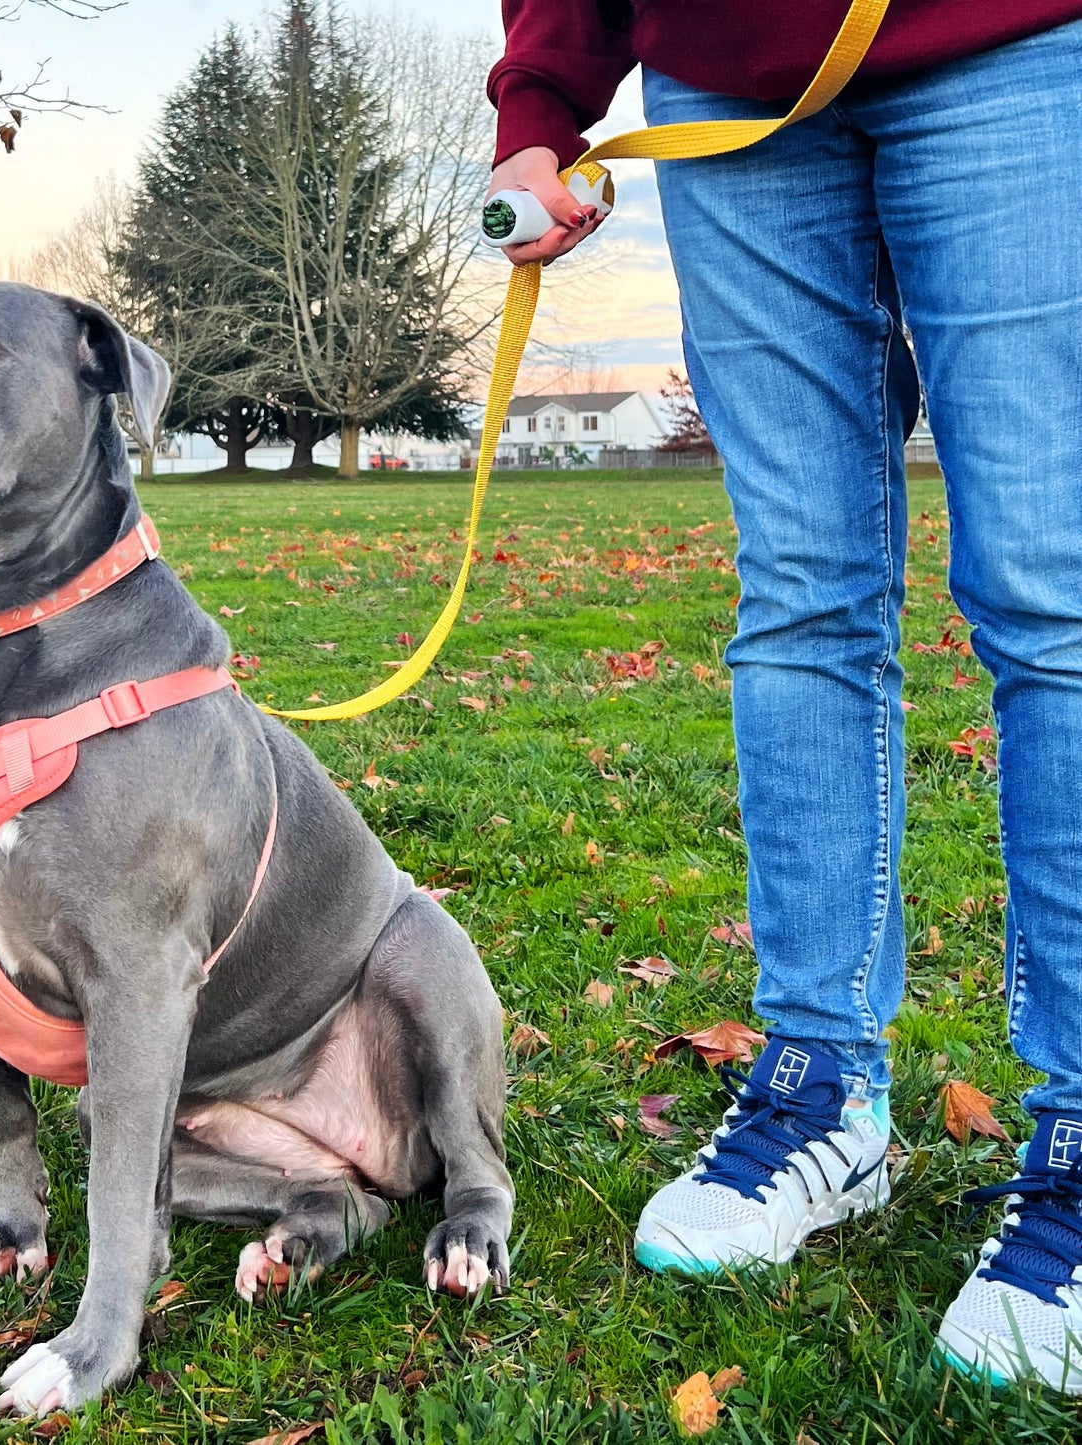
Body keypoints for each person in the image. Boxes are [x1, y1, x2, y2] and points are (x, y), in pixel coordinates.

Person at [487, 0, 1082, 1392]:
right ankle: (821, 1085)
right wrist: (540, 108)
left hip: (1010, 45)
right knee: (801, 596)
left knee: (1050, 591)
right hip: (727, 81)